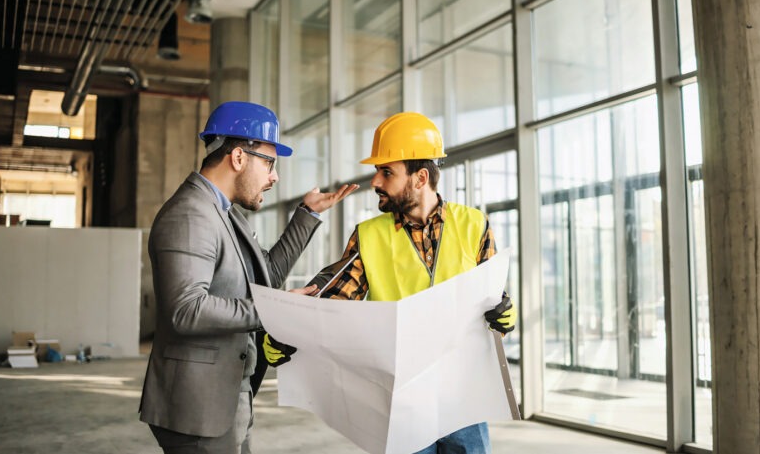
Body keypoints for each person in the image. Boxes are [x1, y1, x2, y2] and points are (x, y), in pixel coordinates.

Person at [139, 101, 358, 454]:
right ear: (238, 157)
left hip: (227, 397)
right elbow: (186, 310)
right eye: (269, 163)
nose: (274, 176)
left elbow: (265, 279)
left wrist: (306, 216)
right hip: (198, 408)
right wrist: (277, 309)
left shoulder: (226, 215)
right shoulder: (191, 215)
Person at [307, 111, 516, 454]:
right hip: (402, 399)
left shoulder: (473, 224)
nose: (375, 181)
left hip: (463, 396)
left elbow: (494, 298)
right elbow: (333, 304)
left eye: (386, 172)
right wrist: (294, 330)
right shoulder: (369, 236)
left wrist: (506, 315)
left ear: (420, 178)